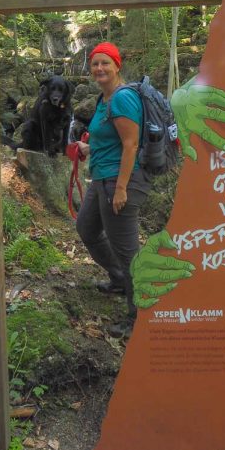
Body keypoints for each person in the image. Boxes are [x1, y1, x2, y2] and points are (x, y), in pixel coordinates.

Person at [75, 42, 151, 336]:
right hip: (102, 177)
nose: (100, 68)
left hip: (121, 182)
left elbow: (131, 144)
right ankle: (120, 279)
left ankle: (140, 316)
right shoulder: (104, 99)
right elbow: (111, 139)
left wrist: (121, 189)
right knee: (87, 228)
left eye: (106, 63)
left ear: (117, 65)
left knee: (128, 251)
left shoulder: (122, 99)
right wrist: (88, 147)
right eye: (95, 64)